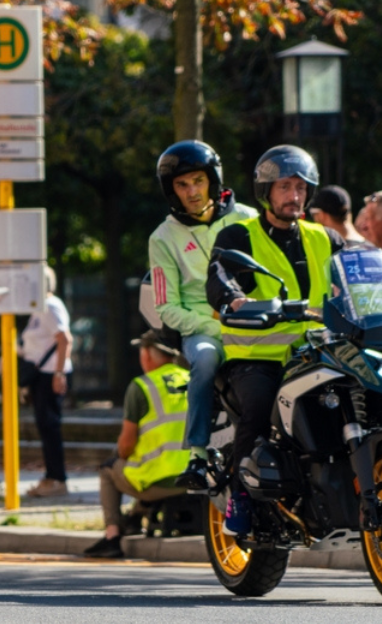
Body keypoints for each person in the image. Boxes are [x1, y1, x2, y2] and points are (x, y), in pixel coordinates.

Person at [206, 145, 344, 536]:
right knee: (258, 406)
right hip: (258, 356)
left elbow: (361, 272)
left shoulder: (325, 237)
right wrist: (233, 298)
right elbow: (219, 275)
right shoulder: (240, 235)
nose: (294, 196)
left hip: (318, 352)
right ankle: (240, 496)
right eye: (284, 187)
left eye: (300, 187)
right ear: (266, 191)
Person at [147, 140, 258, 490]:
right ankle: (197, 453)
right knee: (206, 359)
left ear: (213, 180)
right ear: (171, 190)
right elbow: (166, 307)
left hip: (257, 323)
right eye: (182, 185)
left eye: (198, 181)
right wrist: (213, 326)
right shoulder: (162, 237)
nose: (192, 192)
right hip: (202, 331)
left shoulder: (249, 219)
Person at [83, 330, 189, 558]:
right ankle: (134, 517)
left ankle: (112, 536)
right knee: (140, 468)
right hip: (195, 478)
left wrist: (122, 455)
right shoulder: (193, 378)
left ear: (147, 355)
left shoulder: (142, 386)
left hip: (160, 481)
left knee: (110, 469)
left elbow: (126, 445)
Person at [19, 265, 74, 498]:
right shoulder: (39, 307)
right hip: (42, 375)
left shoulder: (50, 305)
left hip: (50, 375)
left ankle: (57, 479)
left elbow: (65, 339)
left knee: (50, 427)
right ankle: (52, 476)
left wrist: (59, 374)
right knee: (45, 427)